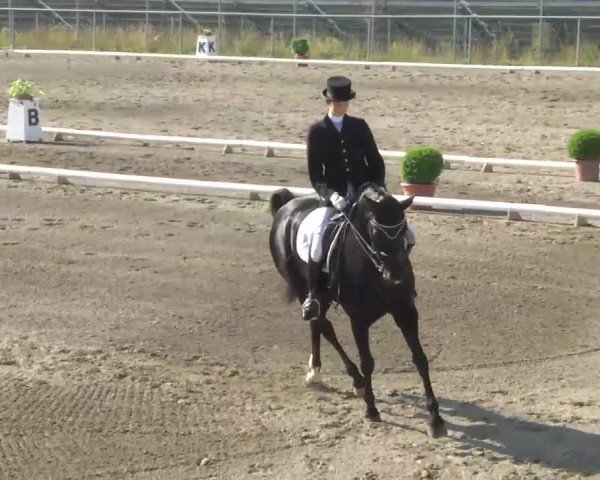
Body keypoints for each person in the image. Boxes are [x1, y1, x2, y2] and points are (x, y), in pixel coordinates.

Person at [301, 75, 415, 321]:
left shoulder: (359, 126)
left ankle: (404, 282)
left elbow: (375, 161)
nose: (341, 106)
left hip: (366, 196)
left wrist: (376, 189)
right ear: (329, 103)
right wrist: (331, 196)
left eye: (344, 102)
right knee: (318, 236)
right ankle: (312, 295)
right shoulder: (317, 131)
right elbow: (315, 175)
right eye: (336, 102)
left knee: (407, 232)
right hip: (335, 199)